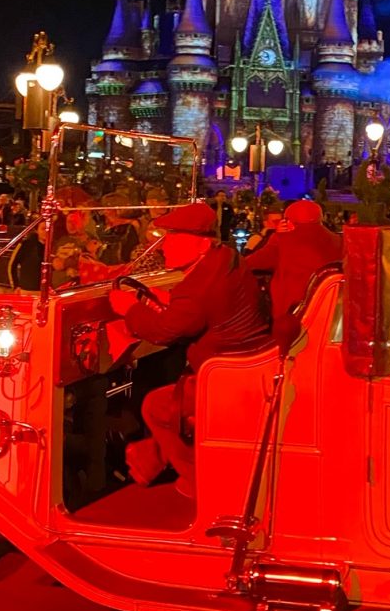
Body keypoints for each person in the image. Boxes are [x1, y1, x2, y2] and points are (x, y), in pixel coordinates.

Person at [109, 201, 268, 497]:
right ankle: (156, 461)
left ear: (201, 244)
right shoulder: (224, 259)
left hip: (226, 377)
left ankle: (197, 480)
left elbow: (163, 331)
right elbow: (193, 312)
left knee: (155, 406)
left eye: (172, 238)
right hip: (247, 366)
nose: (162, 246)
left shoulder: (200, 287)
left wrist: (129, 309)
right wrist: (164, 301)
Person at [244, 198, 343, 344]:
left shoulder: (282, 240)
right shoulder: (339, 241)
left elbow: (251, 263)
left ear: (288, 221)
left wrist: (272, 235)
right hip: (330, 317)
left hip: (292, 320)